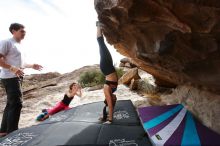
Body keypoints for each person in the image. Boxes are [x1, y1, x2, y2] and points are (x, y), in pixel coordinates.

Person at [0, 23, 43, 137]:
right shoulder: (7, 42)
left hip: (17, 76)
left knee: (11, 104)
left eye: (25, 31)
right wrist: (12, 68)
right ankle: (12, 133)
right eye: (21, 31)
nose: (24, 33)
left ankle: (3, 131)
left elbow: (21, 63)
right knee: (17, 103)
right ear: (13, 31)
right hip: (10, 77)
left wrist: (32, 65)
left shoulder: (20, 45)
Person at [96, 21, 118, 124]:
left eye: (113, 100)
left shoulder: (106, 89)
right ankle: (100, 28)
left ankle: (98, 26)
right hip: (109, 67)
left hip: (106, 67)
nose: (115, 99)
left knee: (101, 45)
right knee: (102, 45)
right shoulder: (112, 91)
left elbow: (109, 104)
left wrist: (110, 119)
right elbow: (112, 101)